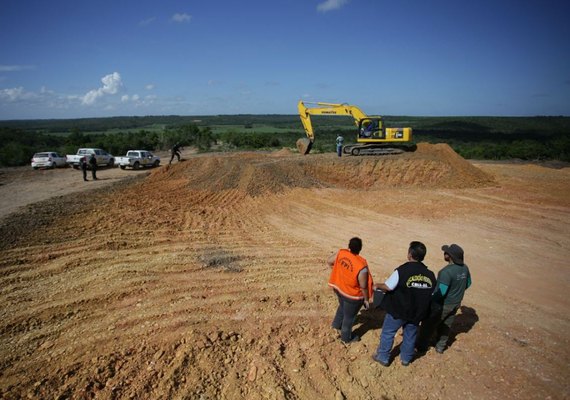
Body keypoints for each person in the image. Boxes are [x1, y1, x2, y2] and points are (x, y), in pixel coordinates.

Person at [372, 241, 436, 367]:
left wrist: (377, 285)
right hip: (417, 312)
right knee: (410, 334)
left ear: (410, 254)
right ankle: (406, 359)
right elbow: (432, 292)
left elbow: (388, 287)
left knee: (388, 332)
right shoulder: (430, 275)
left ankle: (383, 356)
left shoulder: (402, 271)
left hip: (399, 310)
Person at [417, 244, 472, 354]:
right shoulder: (465, 268)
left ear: (450, 256)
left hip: (444, 304)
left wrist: (431, 301)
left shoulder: (446, 272)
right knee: (446, 325)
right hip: (456, 303)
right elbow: (468, 283)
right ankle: (440, 346)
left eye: (446, 253)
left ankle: (421, 347)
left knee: (428, 325)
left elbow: (441, 292)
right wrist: (457, 292)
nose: (444, 254)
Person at [327, 237, 374, 343]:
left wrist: (339, 272)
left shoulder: (341, 253)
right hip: (352, 296)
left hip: (339, 289)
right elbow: (363, 286)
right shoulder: (361, 266)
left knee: (342, 306)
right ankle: (346, 338)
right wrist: (366, 299)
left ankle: (336, 325)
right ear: (360, 249)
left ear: (349, 246)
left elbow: (329, 261)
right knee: (349, 318)